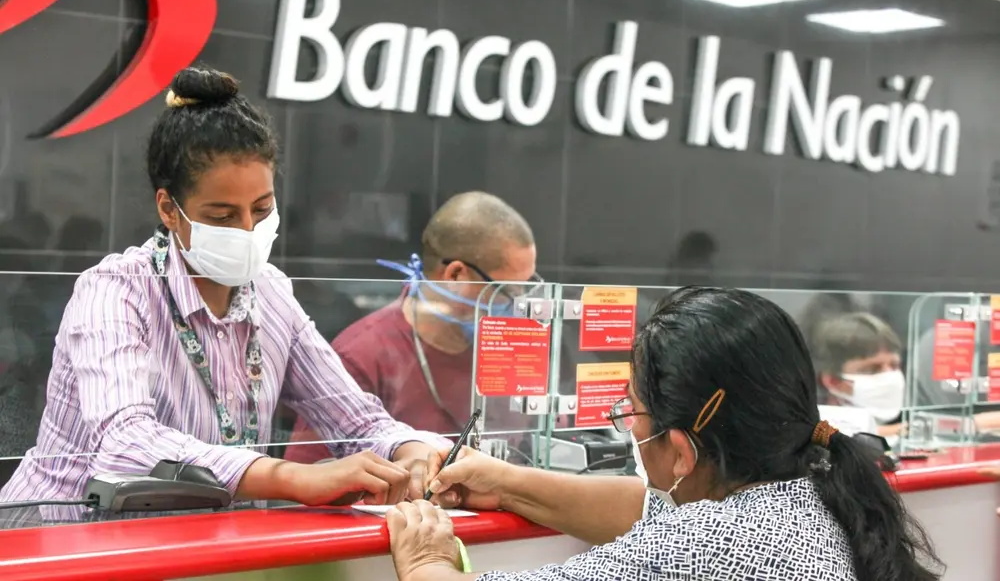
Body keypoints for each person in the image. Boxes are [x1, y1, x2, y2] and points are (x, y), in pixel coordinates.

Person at [0, 67, 446, 509]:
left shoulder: (271, 294)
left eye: (262, 208)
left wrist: (410, 451)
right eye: (222, 216)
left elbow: (357, 420)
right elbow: (127, 442)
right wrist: (290, 478)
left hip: (204, 539)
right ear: (169, 209)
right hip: (66, 534)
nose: (248, 229)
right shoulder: (116, 291)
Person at [387, 287, 943, 581]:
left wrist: (424, 559)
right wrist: (509, 484)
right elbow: (650, 512)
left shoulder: (710, 542)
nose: (629, 425)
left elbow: (675, 539)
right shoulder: (817, 490)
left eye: (631, 411)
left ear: (681, 450)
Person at [284, 192, 539, 464]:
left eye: (528, 286)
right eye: (507, 290)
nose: (517, 303)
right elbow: (309, 476)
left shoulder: (508, 348)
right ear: (455, 275)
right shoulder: (361, 356)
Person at [810, 312, 905, 437]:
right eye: (872, 370)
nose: (889, 377)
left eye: (894, 365)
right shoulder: (810, 433)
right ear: (832, 381)